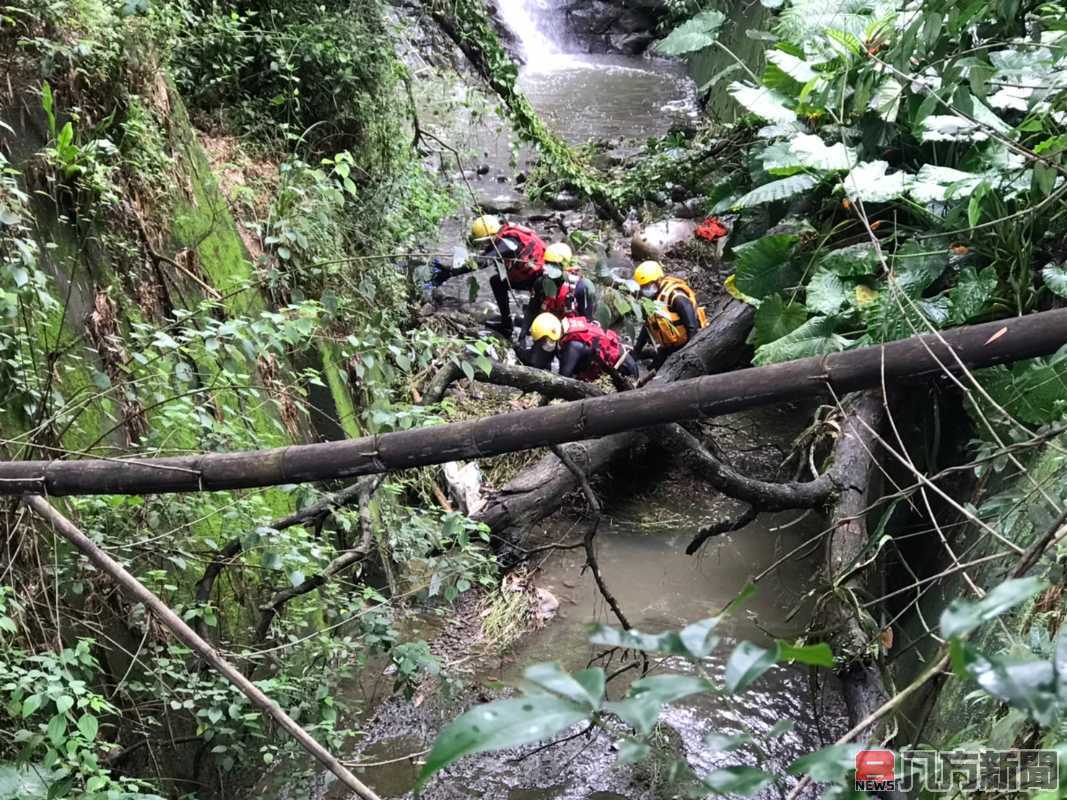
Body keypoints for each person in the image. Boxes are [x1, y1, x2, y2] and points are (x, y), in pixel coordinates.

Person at [431, 215, 547, 338]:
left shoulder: (507, 243)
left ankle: (523, 339)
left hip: (541, 281)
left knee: (536, 315)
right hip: (531, 275)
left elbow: (482, 261)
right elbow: (485, 260)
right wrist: (451, 271)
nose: (485, 245)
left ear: (491, 235)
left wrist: (451, 272)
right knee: (497, 281)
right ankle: (507, 326)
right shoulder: (506, 236)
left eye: (485, 241)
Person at [632, 260, 708, 367]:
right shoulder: (652, 298)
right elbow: (648, 326)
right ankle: (650, 355)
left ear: (658, 280)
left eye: (647, 285)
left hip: (687, 342)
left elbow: (692, 327)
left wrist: (688, 354)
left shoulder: (676, 297)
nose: (645, 290)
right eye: (642, 287)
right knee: (652, 368)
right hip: (669, 345)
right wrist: (636, 351)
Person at [525, 312, 638, 383]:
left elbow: (563, 381)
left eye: (543, 341)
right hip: (624, 362)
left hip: (625, 371)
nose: (543, 345)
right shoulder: (566, 329)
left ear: (551, 335)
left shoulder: (572, 347)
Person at [537, 243, 597, 324]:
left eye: (554, 265)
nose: (549, 268)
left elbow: (587, 320)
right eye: (547, 263)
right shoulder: (541, 282)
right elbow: (531, 310)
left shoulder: (580, 287)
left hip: (572, 327)